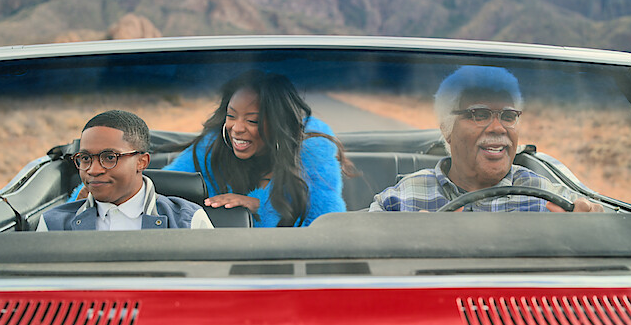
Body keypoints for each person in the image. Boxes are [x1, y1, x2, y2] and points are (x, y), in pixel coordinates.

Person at [369, 65, 603, 213]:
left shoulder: (550, 198)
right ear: (447, 129)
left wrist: (591, 222)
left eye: (508, 116)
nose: (498, 128)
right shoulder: (401, 200)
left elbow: (600, 222)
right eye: (479, 114)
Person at [163, 69, 349, 227]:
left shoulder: (312, 160)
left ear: (278, 125)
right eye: (231, 116)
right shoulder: (209, 154)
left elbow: (326, 229)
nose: (237, 128)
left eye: (252, 120)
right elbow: (163, 197)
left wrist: (261, 208)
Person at [38, 110, 213, 231]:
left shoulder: (188, 221)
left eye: (109, 157)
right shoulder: (53, 224)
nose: (93, 170)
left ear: (141, 162)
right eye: (85, 158)